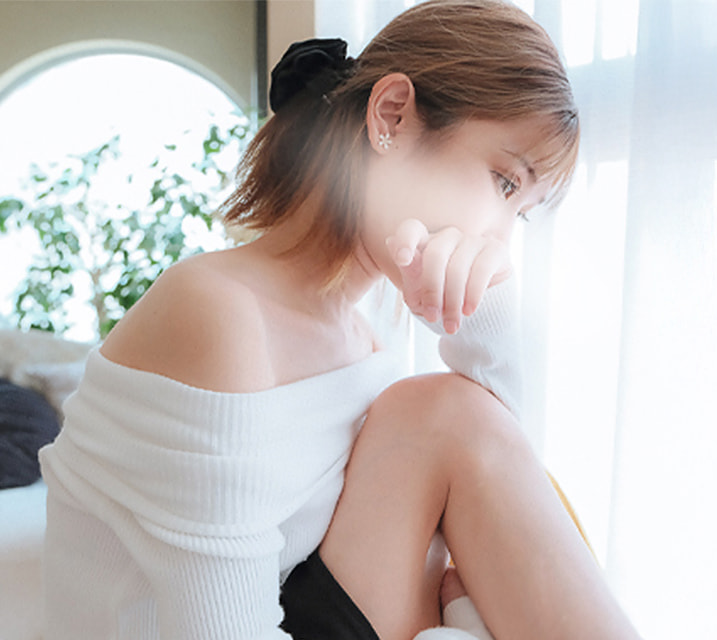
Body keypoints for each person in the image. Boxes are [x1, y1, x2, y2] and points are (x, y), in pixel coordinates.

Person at [39, 1, 640, 639]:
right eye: (504, 182)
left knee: (449, 412)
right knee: (444, 413)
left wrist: (484, 304)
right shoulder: (217, 312)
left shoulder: (370, 326)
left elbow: (498, 485)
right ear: (391, 116)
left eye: (520, 213)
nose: (499, 237)